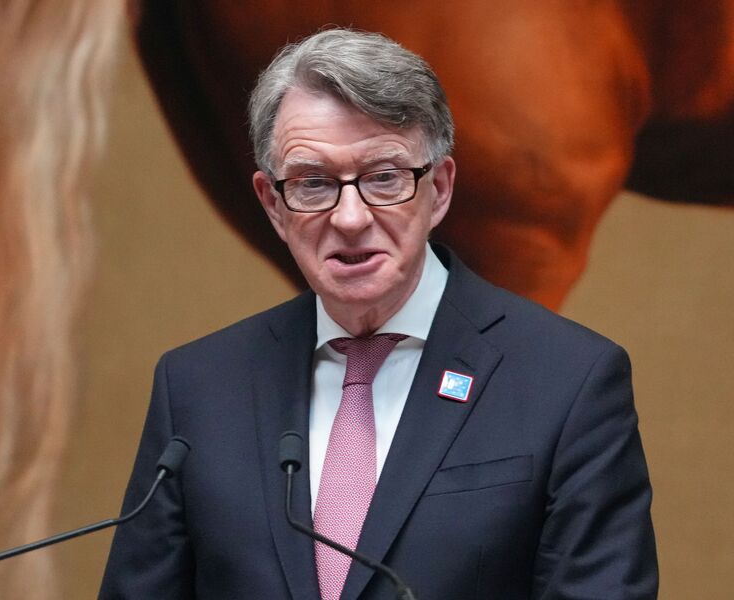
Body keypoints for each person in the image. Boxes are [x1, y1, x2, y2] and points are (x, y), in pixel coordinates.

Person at [100, 28, 657, 599]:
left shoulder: (569, 381)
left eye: (384, 178)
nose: (350, 218)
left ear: (440, 189)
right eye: (313, 183)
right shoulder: (197, 388)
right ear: (273, 204)